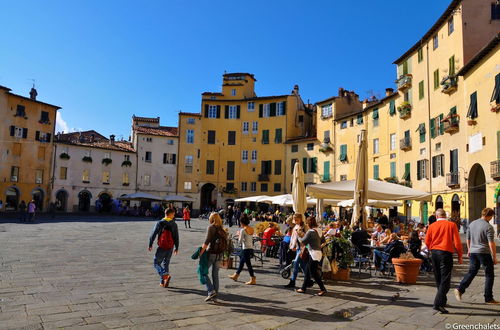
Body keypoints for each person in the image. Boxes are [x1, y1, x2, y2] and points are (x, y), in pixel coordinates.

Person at [455, 208, 499, 304]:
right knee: (489, 274)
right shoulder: (488, 226)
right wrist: (494, 257)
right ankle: (488, 298)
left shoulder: (472, 223)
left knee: (472, 271)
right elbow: (491, 243)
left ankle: (460, 289)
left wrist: (469, 249)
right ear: (490, 216)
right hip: (484, 252)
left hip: (473, 251)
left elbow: (468, 238)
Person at [425, 208, 463, 314]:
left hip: (434, 253)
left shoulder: (431, 226)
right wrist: (460, 255)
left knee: (438, 278)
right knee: (445, 279)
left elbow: (426, 241)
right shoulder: (451, 225)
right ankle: (438, 303)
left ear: (437, 216)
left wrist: (430, 249)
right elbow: (457, 242)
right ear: (445, 216)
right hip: (445, 253)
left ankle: (442, 301)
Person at [148, 208, 179, 288]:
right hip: (170, 247)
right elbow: (176, 236)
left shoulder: (160, 223)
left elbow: (153, 234)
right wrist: (177, 247)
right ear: (170, 214)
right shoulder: (174, 224)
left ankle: (164, 276)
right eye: (173, 214)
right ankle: (163, 282)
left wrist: (150, 244)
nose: (174, 215)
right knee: (166, 263)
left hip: (162, 246)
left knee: (156, 263)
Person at [199, 212, 227, 302]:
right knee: (215, 275)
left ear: (211, 219)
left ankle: (211, 291)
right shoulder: (221, 228)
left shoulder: (211, 227)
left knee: (202, 272)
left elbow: (206, 242)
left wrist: (200, 253)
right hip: (220, 254)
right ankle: (215, 296)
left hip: (211, 254)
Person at [296, 216, 327, 296]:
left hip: (313, 253)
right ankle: (303, 288)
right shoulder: (319, 230)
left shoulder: (310, 232)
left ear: (309, 223)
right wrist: (318, 246)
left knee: (313, 273)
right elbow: (324, 241)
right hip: (318, 253)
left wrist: (299, 235)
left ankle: (323, 289)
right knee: (307, 271)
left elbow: (303, 242)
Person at [228, 214, 256, 285]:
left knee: (248, 264)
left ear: (242, 222)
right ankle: (236, 275)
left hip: (245, 248)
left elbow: (240, 241)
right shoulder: (251, 229)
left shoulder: (243, 230)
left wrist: (239, 235)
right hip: (250, 248)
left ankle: (253, 278)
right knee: (241, 262)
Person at [284, 214, 308, 288]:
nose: (295, 221)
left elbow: (306, 237)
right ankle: (309, 279)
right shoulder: (295, 226)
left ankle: (292, 281)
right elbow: (293, 237)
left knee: (296, 264)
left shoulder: (304, 227)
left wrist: (301, 233)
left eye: (297, 219)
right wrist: (292, 245)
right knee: (302, 265)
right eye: (294, 219)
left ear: (300, 219)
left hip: (302, 248)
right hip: (297, 248)